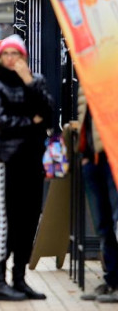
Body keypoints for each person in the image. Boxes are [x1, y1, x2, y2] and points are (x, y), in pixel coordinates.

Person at [0, 34, 52, 301]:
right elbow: (2, 121)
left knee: (29, 220)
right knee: (6, 222)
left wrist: (29, 83)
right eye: (6, 54)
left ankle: (19, 278)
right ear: (0, 58)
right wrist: (32, 121)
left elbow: (48, 113)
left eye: (16, 54)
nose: (11, 59)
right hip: (7, 160)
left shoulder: (36, 81)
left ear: (24, 57)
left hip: (33, 159)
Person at [78, 87, 118, 303]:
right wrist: (85, 152)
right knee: (103, 224)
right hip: (94, 157)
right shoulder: (89, 78)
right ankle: (112, 279)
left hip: (112, 156)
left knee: (114, 222)